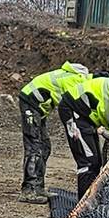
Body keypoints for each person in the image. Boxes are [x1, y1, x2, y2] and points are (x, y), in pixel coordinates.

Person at [16, 62, 93, 203]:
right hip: (31, 103)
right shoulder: (76, 82)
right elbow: (72, 107)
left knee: (44, 146)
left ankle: (38, 186)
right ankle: (29, 190)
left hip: (39, 107)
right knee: (34, 147)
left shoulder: (77, 78)